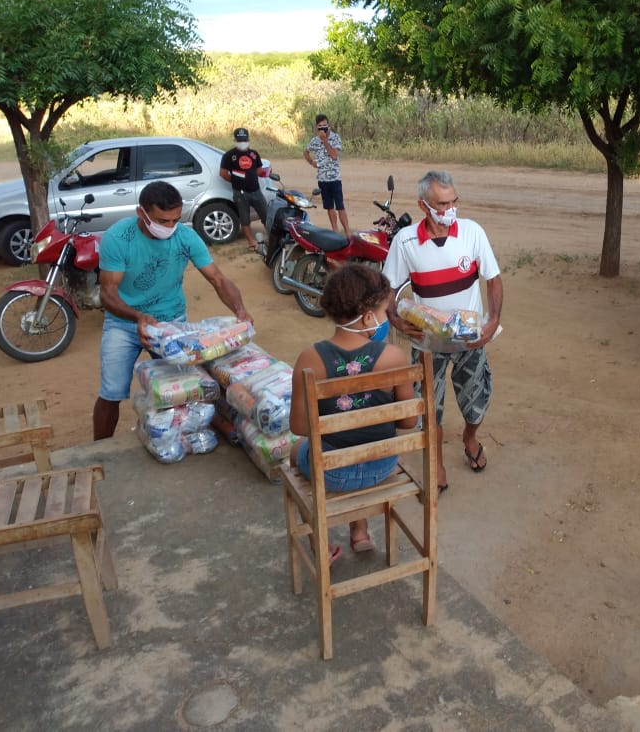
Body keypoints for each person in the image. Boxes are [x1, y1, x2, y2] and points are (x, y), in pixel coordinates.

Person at [92, 180, 252, 440]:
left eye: (175, 220)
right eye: (161, 221)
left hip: (171, 324)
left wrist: (240, 309)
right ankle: (98, 450)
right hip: (123, 323)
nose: (169, 227)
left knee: (185, 389)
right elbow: (108, 292)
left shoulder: (185, 237)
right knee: (111, 393)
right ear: (141, 213)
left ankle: (184, 438)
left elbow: (218, 279)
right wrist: (138, 317)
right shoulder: (118, 238)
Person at [383, 170, 503, 493]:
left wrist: (492, 320)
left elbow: (493, 278)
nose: (450, 210)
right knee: (428, 407)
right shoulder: (405, 241)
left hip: (469, 340)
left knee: (477, 401)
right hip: (427, 343)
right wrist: (395, 319)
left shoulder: (472, 232)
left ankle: (470, 436)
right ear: (423, 205)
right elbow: (388, 288)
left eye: (454, 202)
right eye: (442, 204)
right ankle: (435, 461)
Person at [288, 264, 416, 557]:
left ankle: (318, 544)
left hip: (331, 473)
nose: (385, 320)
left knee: (297, 451)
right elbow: (409, 422)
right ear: (368, 317)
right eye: (383, 313)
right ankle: (359, 532)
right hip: (382, 467)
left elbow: (299, 427)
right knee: (361, 443)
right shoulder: (394, 357)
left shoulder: (309, 359)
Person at [219, 127, 268, 251]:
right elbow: (223, 173)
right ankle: (251, 242)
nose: (242, 142)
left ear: (248, 140)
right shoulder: (229, 155)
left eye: (244, 140)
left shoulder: (254, 154)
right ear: (235, 140)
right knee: (245, 219)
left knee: (266, 216)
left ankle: (272, 238)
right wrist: (236, 181)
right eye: (240, 140)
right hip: (240, 193)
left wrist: (250, 177)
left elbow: (259, 170)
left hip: (256, 191)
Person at [303, 114, 350, 237]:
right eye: (320, 126)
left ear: (328, 125)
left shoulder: (335, 137)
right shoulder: (314, 140)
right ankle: (335, 231)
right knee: (329, 207)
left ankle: (347, 233)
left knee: (340, 206)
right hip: (322, 179)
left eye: (324, 126)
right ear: (316, 127)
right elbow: (306, 152)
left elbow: (334, 155)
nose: (323, 128)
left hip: (334, 178)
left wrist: (325, 140)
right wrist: (311, 162)